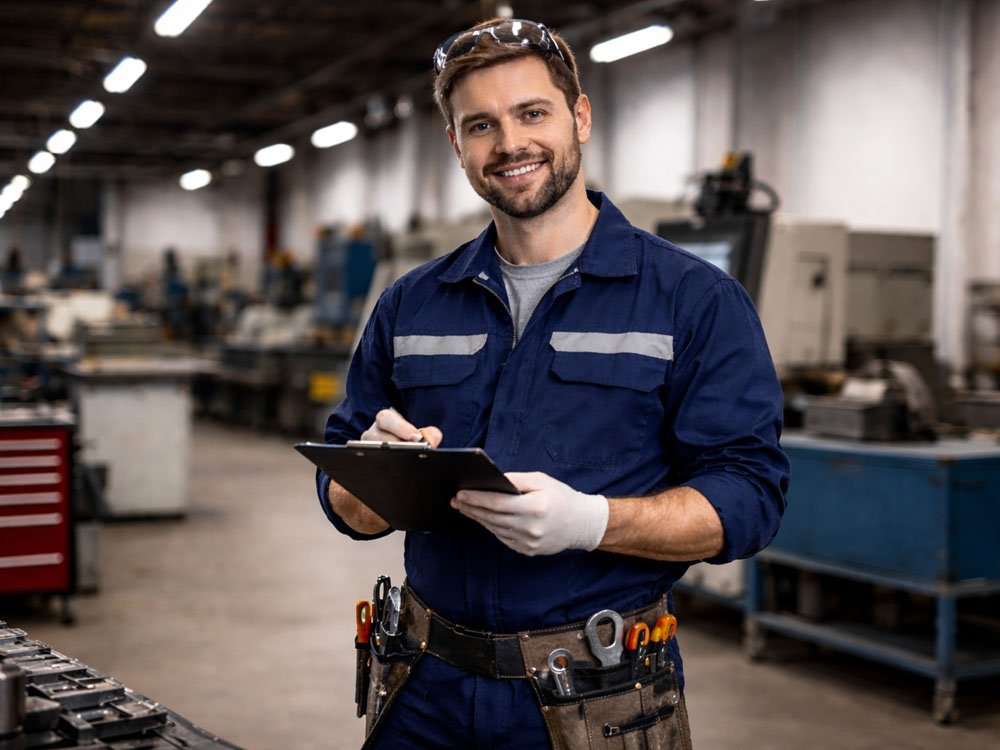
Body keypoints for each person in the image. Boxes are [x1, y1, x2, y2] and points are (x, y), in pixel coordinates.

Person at [316, 17, 789, 749]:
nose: (510, 144)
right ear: (457, 145)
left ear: (580, 118)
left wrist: (594, 522)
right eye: (481, 125)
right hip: (422, 687)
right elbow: (345, 498)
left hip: (600, 696)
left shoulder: (693, 300)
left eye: (532, 113)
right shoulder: (411, 303)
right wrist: (374, 477)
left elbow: (749, 498)